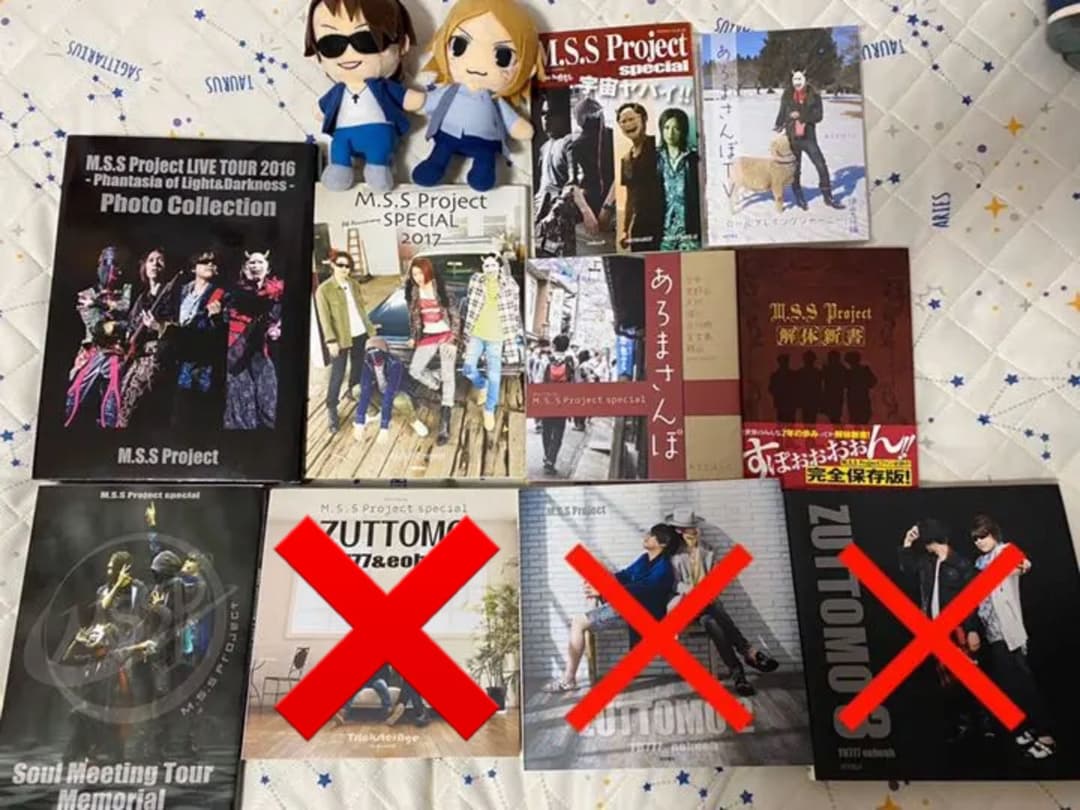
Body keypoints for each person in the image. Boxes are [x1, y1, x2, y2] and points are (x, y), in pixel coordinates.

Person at [412, 0, 542, 191]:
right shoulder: (451, 91)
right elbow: (429, 101)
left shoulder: (495, 101)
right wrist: (418, 101)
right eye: (459, 45)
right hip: (448, 133)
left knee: (484, 166)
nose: (478, 62)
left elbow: (510, 118)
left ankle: (483, 170)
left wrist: (518, 127)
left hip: (484, 141)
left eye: (504, 56)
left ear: (527, 69)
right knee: (441, 152)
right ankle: (435, 165)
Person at [544, 524, 682, 692]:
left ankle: (568, 680)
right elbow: (624, 575)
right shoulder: (644, 559)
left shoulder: (664, 569)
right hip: (623, 602)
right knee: (593, 567)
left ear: (663, 543)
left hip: (635, 610)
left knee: (577, 622)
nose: (647, 536)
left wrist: (604, 589)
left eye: (652, 535)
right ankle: (593, 604)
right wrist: (602, 582)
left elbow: (640, 591)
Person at [305, 0, 423, 191]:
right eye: (331, 44)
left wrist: (420, 100)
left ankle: (378, 168)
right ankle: (340, 167)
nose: (349, 52)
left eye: (366, 41)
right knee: (339, 148)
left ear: (402, 44)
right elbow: (321, 109)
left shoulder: (383, 87)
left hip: (378, 133)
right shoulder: (338, 91)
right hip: (343, 135)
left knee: (379, 151)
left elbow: (409, 100)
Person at [666, 509, 778, 697]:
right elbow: (673, 584)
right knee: (715, 608)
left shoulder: (708, 550)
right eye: (684, 528)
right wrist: (691, 590)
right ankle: (748, 651)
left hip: (707, 607)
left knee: (713, 624)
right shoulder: (673, 554)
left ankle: (739, 677)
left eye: (691, 527)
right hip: (685, 607)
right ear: (677, 530)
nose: (689, 531)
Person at [970, 514, 1055, 759]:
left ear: (993, 534)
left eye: (983, 536)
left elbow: (1024, 564)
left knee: (1024, 685)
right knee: (1009, 687)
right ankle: (1026, 730)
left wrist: (1020, 566)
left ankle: (1045, 734)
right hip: (992, 633)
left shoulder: (1004, 551)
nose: (979, 541)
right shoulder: (979, 563)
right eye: (975, 538)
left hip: (1009, 632)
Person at [899, 520, 980, 741]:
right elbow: (907, 569)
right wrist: (906, 543)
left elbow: (973, 600)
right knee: (947, 682)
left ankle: (978, 724)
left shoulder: (961, 564)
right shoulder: (928, 562)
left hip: (957, 630)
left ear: (930, 538)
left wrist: (972, 629)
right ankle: (962, 725)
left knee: (966, 678)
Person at [65, 246, 133, 429]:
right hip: (93, 352)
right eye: (113, 264)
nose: (118, 271)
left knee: (114, 394)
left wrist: (100, 305)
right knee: (76, 392)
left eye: (120, 265)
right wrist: (121, 323)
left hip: (118, 354)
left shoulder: (126, 291)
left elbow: (128, 311)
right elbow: (98, 328)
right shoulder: (86, 295)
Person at [316, 251, 379, 434]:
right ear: (333, 265)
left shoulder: (353, 284)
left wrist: (370, 327)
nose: (344, 269)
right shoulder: (324, 290)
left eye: (348, 266)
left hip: (360, 334)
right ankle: (331, 408)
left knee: (358, 367)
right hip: (341, 338)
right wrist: (331, 340)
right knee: (337, 373)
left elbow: (360, 310)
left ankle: (353, 392)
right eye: (340, 265)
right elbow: (325, 319)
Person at [118, 248, 180, 429]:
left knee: (135, 408)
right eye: (151, 260)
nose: (155, 264)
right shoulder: (141, 299)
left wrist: (156, 325)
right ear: (144, 266)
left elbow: (180, 327)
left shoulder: (173, 295)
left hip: (159, 358)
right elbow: (131, 328)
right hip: (137, 357)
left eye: (160, 260)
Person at [461, 253, 523, 432]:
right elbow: (470, 301)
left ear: (499, 267)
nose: (490, 269)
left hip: (497, 337)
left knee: (494, 375)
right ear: (482, 268)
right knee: (468, 368)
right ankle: (482, 385)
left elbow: (514, 310)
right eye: (486, 266)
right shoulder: (476, 281)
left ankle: (489, 409)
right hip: (477, 333)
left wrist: (514, 333)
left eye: (493, 265)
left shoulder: (510, 284)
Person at [225, 251, 283, 430]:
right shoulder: (234, 292)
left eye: (260, 262)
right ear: (244, 268)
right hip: (237, 353)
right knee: (242, 408)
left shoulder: (278, 292)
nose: (255, 266)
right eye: (251, 263)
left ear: (268, 268)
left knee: (269, 401)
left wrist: (277, 327)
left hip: (261, 352)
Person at [774, 70, 844, 211]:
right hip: (792, 137)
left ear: (805, 80)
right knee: (795, 169)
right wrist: (779, 124)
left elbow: (818, 116)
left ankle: (828, 196)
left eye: (800, 80)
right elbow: (782, 112)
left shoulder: (814, 96)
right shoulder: (787, 95)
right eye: (795, 80)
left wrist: (801, 115)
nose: (797, 84)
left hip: (808, 138)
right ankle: (798, 195)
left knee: (821, 165)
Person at [172, 251, 227, 429]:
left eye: (213, 262)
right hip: (179, 359)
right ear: (194, 267)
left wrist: (216, 318)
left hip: (204, 363)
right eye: (204, 261)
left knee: (200, 416)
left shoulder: (221, 294)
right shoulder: (181, 292)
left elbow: (223, 334)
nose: (210, 264)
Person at [355, 336, 430, 443]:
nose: (374, 357)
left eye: (377, 351)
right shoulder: (367, 364)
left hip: (397, 392)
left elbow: (390, 393)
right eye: (370, 352)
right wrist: (359, 422)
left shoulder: (395, 364)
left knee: (400, 402)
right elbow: (365, 390)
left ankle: (413, 420)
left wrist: (384, 427)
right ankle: (374, 414)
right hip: (380, 391)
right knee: (357, 390)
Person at [616, 103, 663, 252]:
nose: (628, 124)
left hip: (663, 220)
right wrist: (625, 230)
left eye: (631, 119)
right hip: (640, 225)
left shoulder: (657, 145)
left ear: (644, 119)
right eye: (623, 121)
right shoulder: (626, 159)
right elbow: (630, 197)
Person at [656, 107, 701, 251]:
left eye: (676, 128)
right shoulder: (656, 158)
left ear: (683, 131)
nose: (670, 133)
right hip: (665, 230)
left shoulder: (693, 158)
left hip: (689, 230)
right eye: (666, 128)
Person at [540, 334, 574, 475]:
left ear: (554, 345)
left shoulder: (545, 360)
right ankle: (551, 459)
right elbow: (576, 383)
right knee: (558, 432)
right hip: (563, 402)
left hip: (547, 400)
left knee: (546, 430)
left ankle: (547, 454)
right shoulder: (571, 361)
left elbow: (538, 380)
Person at [335, 664, 407, 725]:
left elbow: (386, 675)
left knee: (381, 684)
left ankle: (388, 711)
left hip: (377, 680)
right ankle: (343, 712)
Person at [844, 351, 877, 425]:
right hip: (860, 398)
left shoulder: (849, 372)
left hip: (856, 399)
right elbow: (873, 382)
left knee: (857, 420)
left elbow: (873, 382)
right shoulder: (863, 370)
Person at [768, 354, 797, 423]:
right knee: (783, 422)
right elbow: (771, 389)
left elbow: (797, 388)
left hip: (789, 404)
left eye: (785, 362)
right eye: (783, 362)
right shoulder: (775, 375)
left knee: (788, 422)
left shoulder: (792, 374)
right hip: (782, 403)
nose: (784, 364)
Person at [795, 350, 821, 424]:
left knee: (807, 420)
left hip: (807, 400)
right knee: (810, 420)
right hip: (811, 400)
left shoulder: (800, 372)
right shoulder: (816, 372)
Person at [822, 350, 846, 424]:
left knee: (834, 416)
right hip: (834, 395)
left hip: (833, 395)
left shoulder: (830, 368)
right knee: (834, 416)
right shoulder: (841, 368)